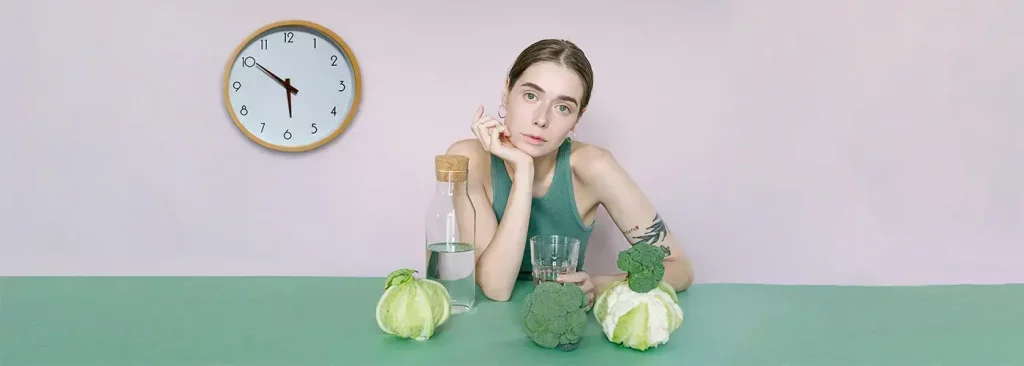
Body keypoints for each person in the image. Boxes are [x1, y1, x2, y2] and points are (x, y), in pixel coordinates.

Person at [446, 39, 694, 305]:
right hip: (486, 323)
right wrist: (524, 171)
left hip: (566, 323)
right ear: (506, 91)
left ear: (578, 117)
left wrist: (599, 285)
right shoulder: (468, 160)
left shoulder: (594, 166)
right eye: (531, 96)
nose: (541, 119)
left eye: (563, 107)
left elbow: (680, 268)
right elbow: (496, 287)